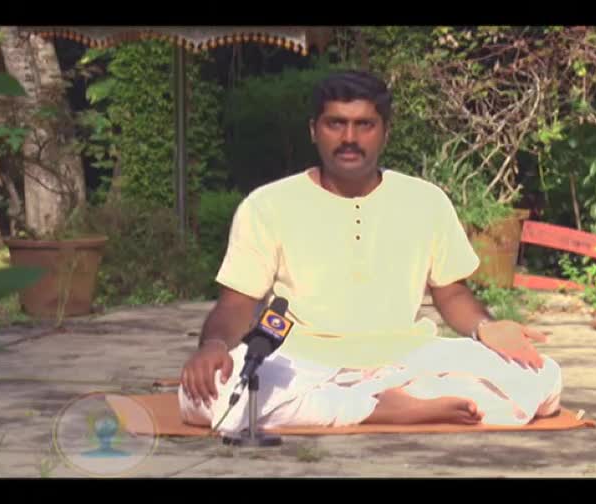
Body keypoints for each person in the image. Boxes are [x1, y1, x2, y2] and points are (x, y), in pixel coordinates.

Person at [179, 70, 562, 432]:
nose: (349, 137)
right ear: (314, 130)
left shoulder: (425, 200)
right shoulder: (267, 205)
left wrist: (486, 327)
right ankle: (377, 408)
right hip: (300, 363)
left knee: (543, 378)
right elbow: (236, 303)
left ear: (385, 133)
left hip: (406, 360)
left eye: (364, 125)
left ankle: (355, 404)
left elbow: (452, 292)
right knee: (208, 394)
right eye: (336, 124)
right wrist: (213, 346)